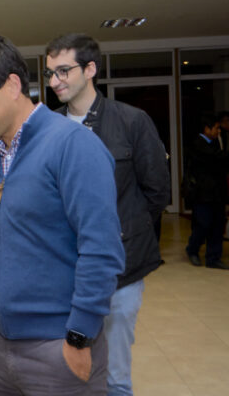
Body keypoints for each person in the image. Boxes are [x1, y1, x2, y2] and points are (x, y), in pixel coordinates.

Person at [0, 34, 124, 395]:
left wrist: (78, 336)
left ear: (12, 85)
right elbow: (0, 240)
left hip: (57, 348)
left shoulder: (73, 146)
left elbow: (102, 250)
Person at [45, 33, 170, 396]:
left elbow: (156, 192)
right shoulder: (47, 128)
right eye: (51, 73)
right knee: (66, 366)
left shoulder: (132, 121)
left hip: (120, 270)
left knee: (114, 373)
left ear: (91, 69)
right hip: (61, 268)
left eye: (64, 71)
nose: (55, 81)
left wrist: (118, 231)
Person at [183, 114, 229, 270]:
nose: (219, 131)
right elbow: (217, 159)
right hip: (202, 193)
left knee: (217, 225)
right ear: (207, 129)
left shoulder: (213, 143)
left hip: (217, 192)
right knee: (203, 224)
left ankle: (213, 258)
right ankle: (192, 250)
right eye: (216, 128)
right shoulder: (197, 145)